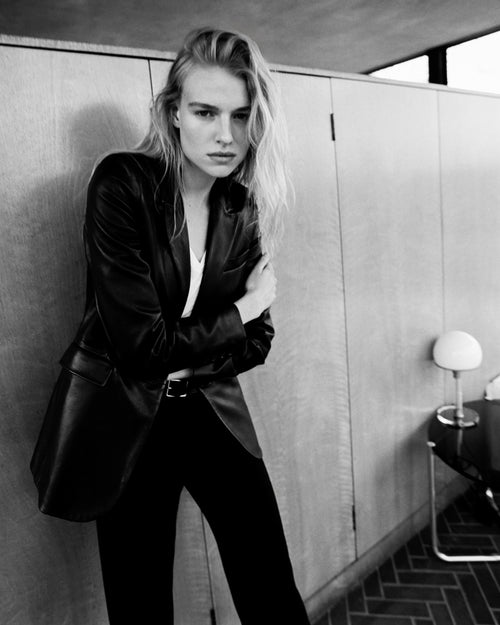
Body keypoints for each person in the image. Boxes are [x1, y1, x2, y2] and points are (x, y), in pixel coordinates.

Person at [31, 27, 311, 625]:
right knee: (140, 606)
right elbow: (142, 349)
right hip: (128, 416)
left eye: (241, 115)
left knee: (271, 589)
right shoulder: (122, 185)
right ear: (174, 112)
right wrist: (240, 311)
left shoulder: (241, 206)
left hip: (210, 408)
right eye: (206, 112)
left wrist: (198, 345)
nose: (226, 134)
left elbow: (259, 343)